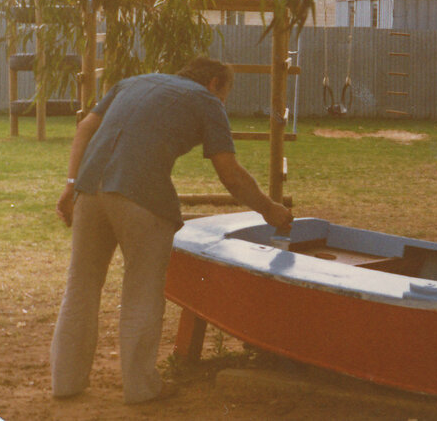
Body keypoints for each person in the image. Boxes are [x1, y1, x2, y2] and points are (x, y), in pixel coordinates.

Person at [50, 57, 293, 404]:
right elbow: (229, 173)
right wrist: (269, 210)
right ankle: (141, 388)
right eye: (226, 92)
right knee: (143, 290)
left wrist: (70, 185)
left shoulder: (133, 81)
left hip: (89, 188)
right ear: (214, 83)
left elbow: (86, 127)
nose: (224, 101)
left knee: (81, 285)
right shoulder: (207, 101)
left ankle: (66, 382)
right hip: (141, 195)